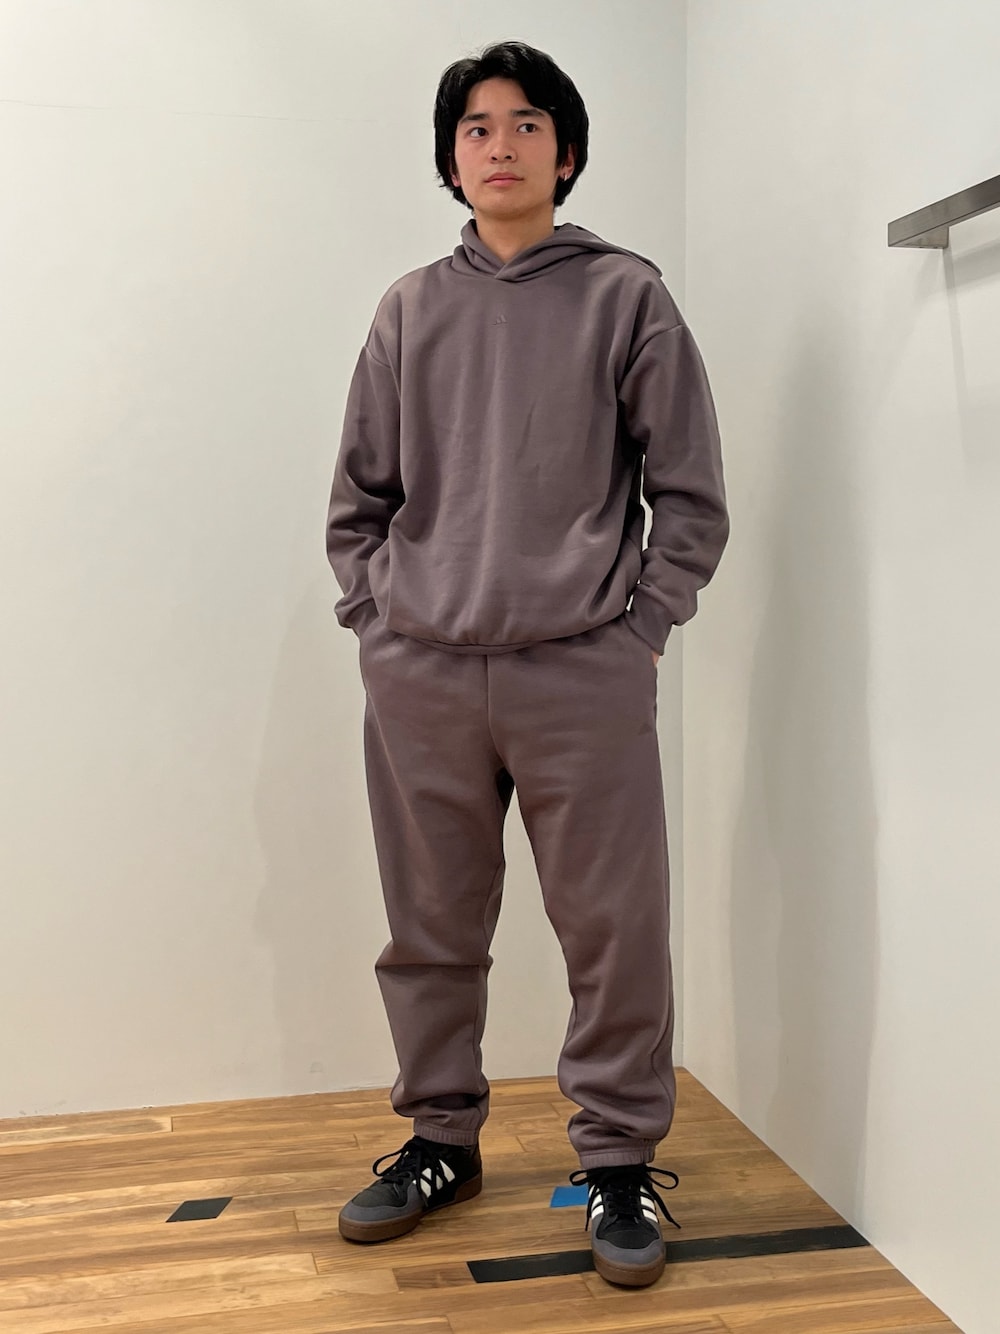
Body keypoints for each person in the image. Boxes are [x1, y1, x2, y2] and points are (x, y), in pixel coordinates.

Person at [325, 39, 729, 1289]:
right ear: (451, 161)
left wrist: (637, 627)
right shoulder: (408, 308)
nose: (499, 145)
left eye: (525, 124)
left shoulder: (627, 296)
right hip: (423, 675)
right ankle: (440, 1138)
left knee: (614, 928)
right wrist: (378, 624)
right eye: (476, 128)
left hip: (581, 673)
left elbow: (689, 493)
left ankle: (616, 1157)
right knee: (428, 927)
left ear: (567, 152)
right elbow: (359, 499)